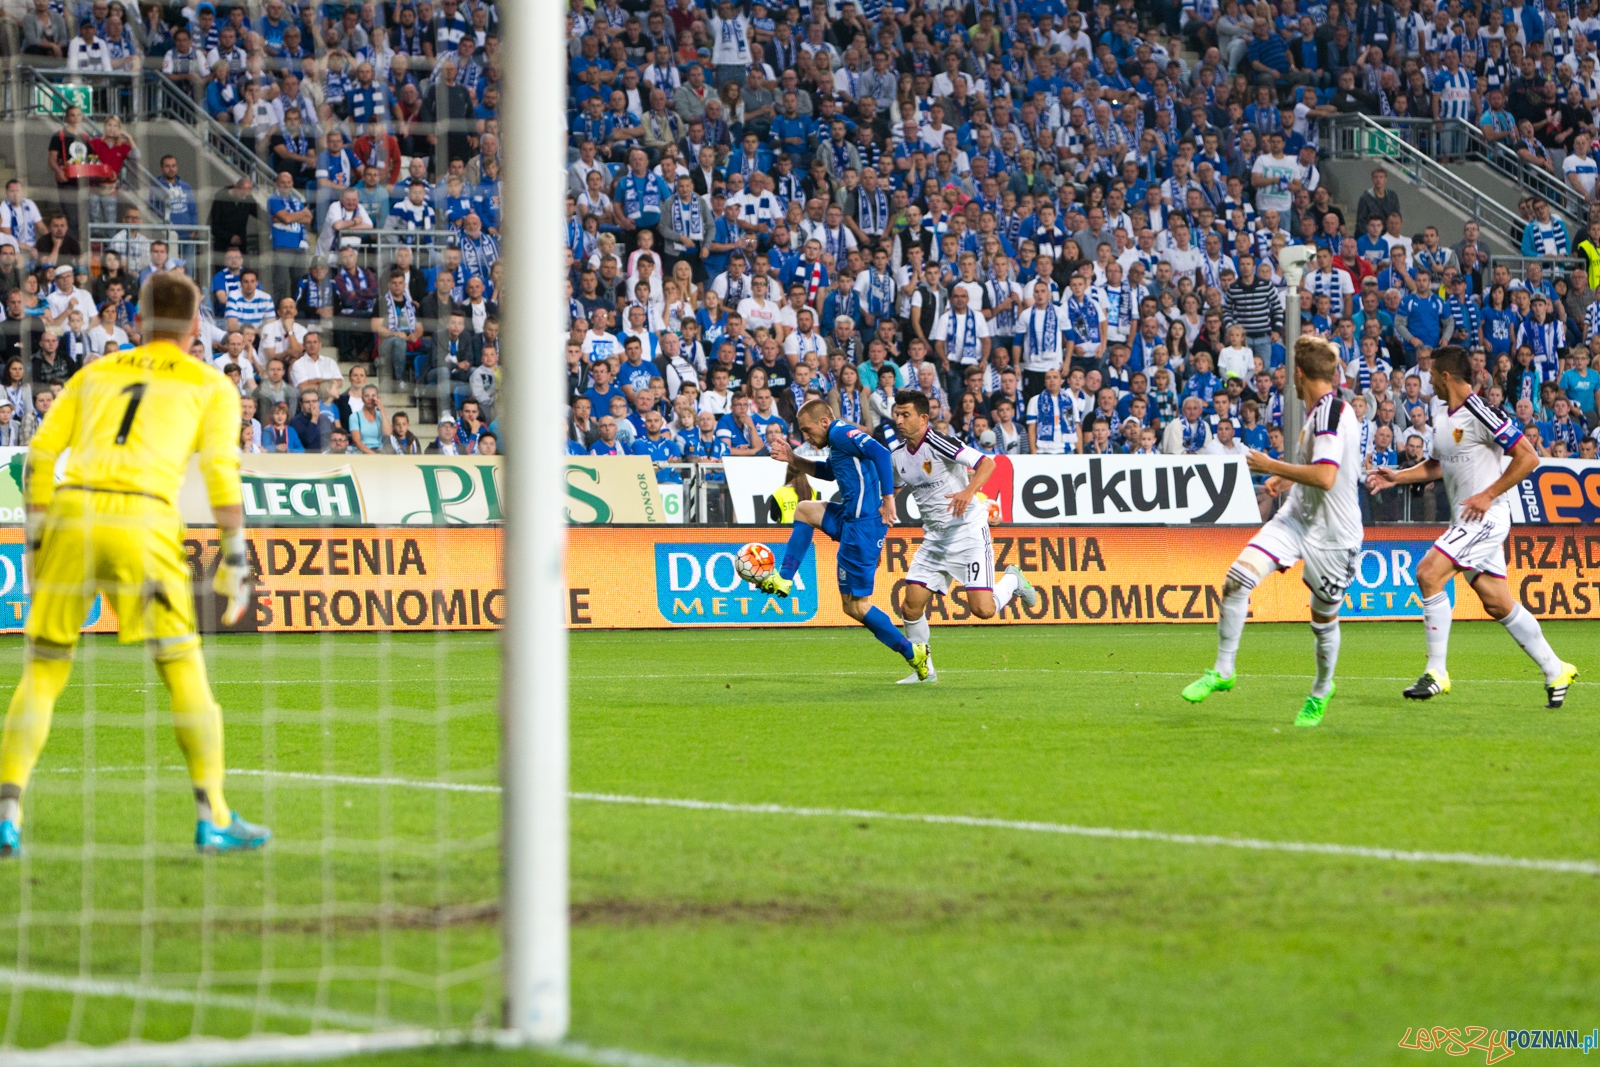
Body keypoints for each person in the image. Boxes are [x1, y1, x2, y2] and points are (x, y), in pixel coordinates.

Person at [0, 273, 268, 858]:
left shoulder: (96, 372)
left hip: (71, 512)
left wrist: (38, 537)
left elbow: (39, 456)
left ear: (138, 322)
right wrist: (237, 555)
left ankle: (6, 813)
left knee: (43, 670)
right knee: (181, 668)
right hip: (143, 521)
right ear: (196, 327)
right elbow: (222, 472)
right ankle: (212, 816)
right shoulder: (209, 384)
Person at [1366, 346, 1577, 707]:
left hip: (1486, 516)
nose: (1429, 379)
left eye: (1432, 374)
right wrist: (1396, 477)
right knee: (1498, 603)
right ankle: (1555, 668)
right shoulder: (1442, 416)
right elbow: (1437, 465)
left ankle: (1436, 672)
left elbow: (1529, 457)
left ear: (1446, 376)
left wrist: (1489, 493)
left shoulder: (1481, 411)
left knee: (1428, 572)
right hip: (1466, 519)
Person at [1180, 337, 1363, 727]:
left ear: (1299, 374)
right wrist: (1290, 482)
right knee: (1236, 580)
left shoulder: (1331, 414)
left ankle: (1321, 689)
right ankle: (1223, 670)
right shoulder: (1321, 412)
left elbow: (1327, 477)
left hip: (1334, 537)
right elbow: (1318, 473)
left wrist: (1273, 467)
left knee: (1322, 620)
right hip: (1296, 519)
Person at [761, 399, 931, 680]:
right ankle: (785, 578)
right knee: (804, 510)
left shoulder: (841, 433)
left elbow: (880, 453)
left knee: (856, 606)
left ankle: (913, 653)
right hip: (849, 517)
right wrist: (794, 459)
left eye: (807, 430)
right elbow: (829, 473)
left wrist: (889, 500)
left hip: (863, 525)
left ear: (824, 422)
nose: (806, 436)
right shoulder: (837, 443)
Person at [888, 391, 1037, 683]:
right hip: (935, 539)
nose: (899, 420)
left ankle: (1012, 580)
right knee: (910, 605)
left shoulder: (939, 441)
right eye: (896, 414)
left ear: (923, 418)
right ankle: (925, 673)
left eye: (905, 415)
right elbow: (892, 490)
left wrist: (968, 492)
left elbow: (987, 464)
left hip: (967, 531)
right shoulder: (897, 456)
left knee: (982, 610)